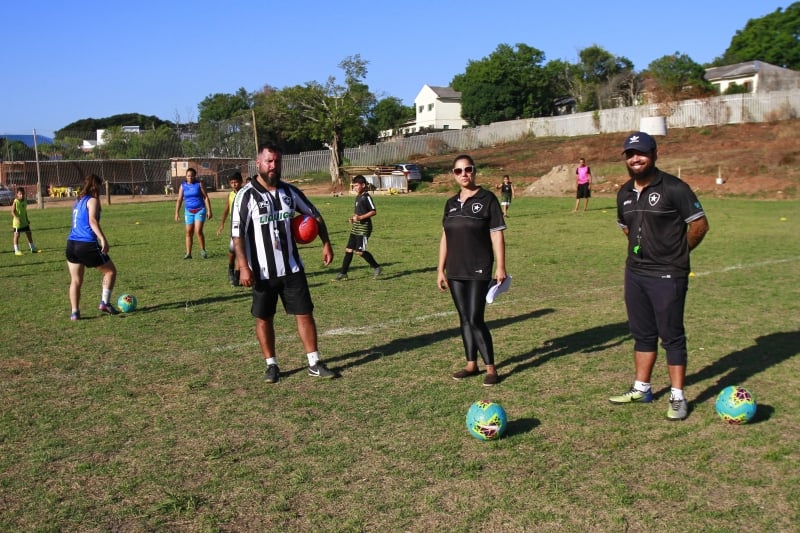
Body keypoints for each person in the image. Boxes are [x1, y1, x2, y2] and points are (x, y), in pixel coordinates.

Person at [609, 131, 709, 421]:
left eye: (640, 153)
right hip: (636, 273)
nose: (635, 159)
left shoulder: (675, 188)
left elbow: (700, 225)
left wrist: (676, 253)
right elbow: (626, 228)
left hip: (668, 274)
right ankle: (642, 388)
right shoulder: (624, 192)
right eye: (630, 154)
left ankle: (678, 397)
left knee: (672, 336)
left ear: (654, 154)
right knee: (642, 333)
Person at [232, 142, 337, 383]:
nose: (273, 166)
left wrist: (326, 243)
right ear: (258, 164)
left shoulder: (290, 192)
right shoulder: (245, 196)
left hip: (292, 268)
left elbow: (315, 215)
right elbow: (237, 234)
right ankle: (272, 365)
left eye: (277, 161)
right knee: (264, 318)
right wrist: (244, 266)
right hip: (261, 271)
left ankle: (314, 362)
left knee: (304, 313)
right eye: (269, 161)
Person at [437, 154, 507, 387]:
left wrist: (501, 265)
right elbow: (445, 237)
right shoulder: (450, 203)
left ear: (474, 171)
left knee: (476, 318)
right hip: (455, 270)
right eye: (459, 171)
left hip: (479, 267)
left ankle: (491, 368)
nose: (464, 174)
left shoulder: (488, 198)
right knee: (464, 318)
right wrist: (440, 269)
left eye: (468, 169)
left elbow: (497, 234)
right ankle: (470, 364)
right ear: (453, 174)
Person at [65, 174, 119, 320]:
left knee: (75, 280)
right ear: (96, 186)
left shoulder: (78, 201)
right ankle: (105, 303)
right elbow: (92, 221)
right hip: (86, 244)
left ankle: (75, 312)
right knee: (110, 272)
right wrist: (103, 239)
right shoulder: (92, 200)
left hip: (71, 245)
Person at [333, 175, 381, 281]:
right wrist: (353, 218)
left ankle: (376, 267)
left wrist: (360, 217)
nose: (354, 187)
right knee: (349, 249)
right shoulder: (358, 197)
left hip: (364, 227)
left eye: (356, 185)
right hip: (356, 226)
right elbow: (357, 212)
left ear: (363, 185)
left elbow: (373, 211)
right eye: (353, 185)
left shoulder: (366, 197)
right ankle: (343, 273)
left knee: (359, 251)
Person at [174, 167, 212, 259]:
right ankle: (188, 253)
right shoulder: (183, 186)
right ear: (186, 176)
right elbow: (179, 199)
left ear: (195, 176)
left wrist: (209, 210)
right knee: (188, 232)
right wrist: (176, 213)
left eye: (192, 176)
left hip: (200, 209)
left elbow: (206, 197)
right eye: (188, 176)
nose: (190, 177)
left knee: (198, 231)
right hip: (188, 211)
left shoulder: (199, 184)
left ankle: (203, 250)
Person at [217, 171, 245, 286]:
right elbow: (226, 210)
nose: (234, 185)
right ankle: (230, 269)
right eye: (232, 183)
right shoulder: (230, 195)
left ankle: (237, 276)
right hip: (234, 227)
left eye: (236, 182)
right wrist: (222, 224)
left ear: (241, 182)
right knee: (232, 252)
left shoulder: (246, 193)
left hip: (245, 227)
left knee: (241, 252)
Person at [12, 187, 40, 255]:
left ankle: (32, 248)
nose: (22, 195)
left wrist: (27, 219)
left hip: (24, 222)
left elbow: (25, 211)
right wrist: (17, 218)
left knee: (29, 234)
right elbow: (12, 212)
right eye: (20, 194)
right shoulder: (16, 201)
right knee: (17, 235)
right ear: (17, 194)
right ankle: (16, 250)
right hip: (17, 223)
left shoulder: (25, 201)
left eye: (23, 194)